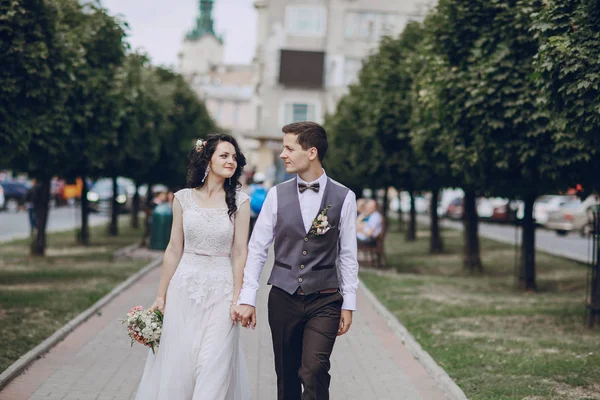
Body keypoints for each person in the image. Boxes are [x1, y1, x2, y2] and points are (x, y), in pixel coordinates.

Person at [233, 121, 359, 400]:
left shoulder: (344, 197)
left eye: (289, 148)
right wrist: (247, 297)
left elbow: (349, 255)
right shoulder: (276, 195)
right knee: (287, 376)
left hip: (325, 299)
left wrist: (349, 303)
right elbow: (257, 249)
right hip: (283, 298)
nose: (282, 154)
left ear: (311, 152)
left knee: (314, 370)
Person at [135, 133, 250, 400]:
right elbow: (174, 248)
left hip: (221, 290)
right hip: (184, 288)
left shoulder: (240, 203)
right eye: (224, 155)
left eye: (234, 156)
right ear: (207, 160)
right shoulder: (183, 198)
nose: (231, 161)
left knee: (213, 366)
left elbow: (240, 251)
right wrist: (161, 296)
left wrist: (238, 297)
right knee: (180, 366)